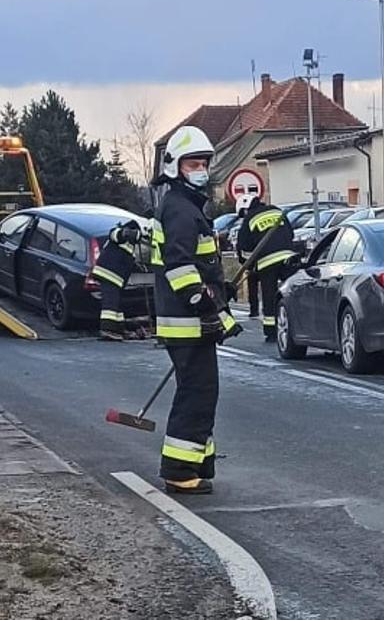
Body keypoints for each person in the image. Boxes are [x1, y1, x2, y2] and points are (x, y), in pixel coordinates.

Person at [151, 125, 241, 495]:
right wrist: (209, 304)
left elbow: (199, 266)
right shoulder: (179, 210)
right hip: (188, 322)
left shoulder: (184, 206)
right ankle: (179, 471)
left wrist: (222, 290)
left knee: (201, 391)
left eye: (203, 162)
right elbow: (180, 268)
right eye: (192, 163)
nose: (200, 169)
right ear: (175, 167)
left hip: (190, 322)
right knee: (197, 394)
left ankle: (198, 462)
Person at [236, 195, 298, 341]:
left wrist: (249, 265)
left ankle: (271, 332)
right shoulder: (276, 211)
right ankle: (296, 327)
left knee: (269, 298)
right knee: (291, 294)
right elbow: (291, 233)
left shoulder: (249, 219)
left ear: (245, 209)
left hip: (267, 263)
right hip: (288, 258)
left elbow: (244, 247)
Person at [91, 219, 144, 341]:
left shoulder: (130, 246)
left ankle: (119, 328)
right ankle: (107, 329)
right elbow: (115, 234)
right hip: (108, 275)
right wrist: (127, 233)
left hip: (115, 278)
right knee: (110, 304)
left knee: (117, 304)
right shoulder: (119, 235)